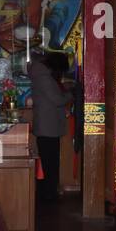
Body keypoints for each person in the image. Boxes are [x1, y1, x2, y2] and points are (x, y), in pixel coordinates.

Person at [28, 51, 71, 203]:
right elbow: (57, 99)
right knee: (50, 162)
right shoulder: (44, 77)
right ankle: (48, 194)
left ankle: (48, 192)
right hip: (48, 126)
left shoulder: (42, 74)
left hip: (48, 125)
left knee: (48, 161)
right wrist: (70, 93)